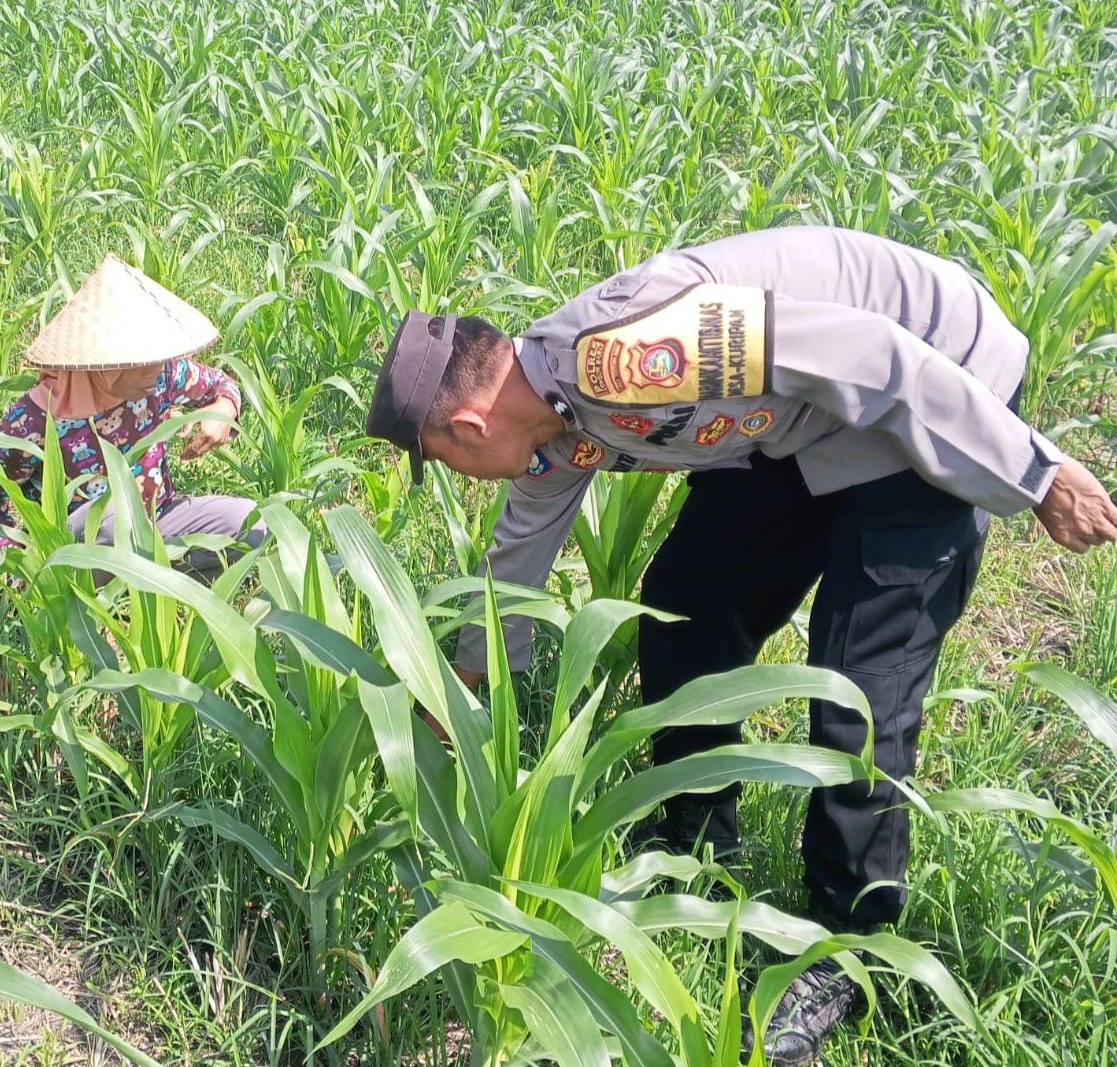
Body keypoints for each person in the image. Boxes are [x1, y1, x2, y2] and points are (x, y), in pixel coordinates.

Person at [364, 226, 1117, 1064]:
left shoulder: (627, 354)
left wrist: (1036, 472)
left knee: (861, 680)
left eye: (442, 461)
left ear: (469, 425)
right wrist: (460, 687)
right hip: (803, 419)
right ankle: (697, 837)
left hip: (933, 378)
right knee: (688, 603)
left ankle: (851, 947)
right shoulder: (552, 418)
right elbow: (519, 551)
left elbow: (874, 357)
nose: (461, 477)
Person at [0, 255, 263, 575]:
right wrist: (21, 567)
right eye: (144, 362)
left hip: (156, 520)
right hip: (79, 549)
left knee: (253, 524)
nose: (157, 369)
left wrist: (223, 408)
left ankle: (157, 585)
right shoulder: (35, 421)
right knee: (112, 516)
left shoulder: (162, 376)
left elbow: (221, 385)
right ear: (106, 364)